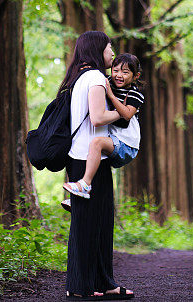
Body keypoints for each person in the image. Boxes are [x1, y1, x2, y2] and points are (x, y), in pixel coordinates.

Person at [62, 31, 134, 300]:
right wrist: (125, 114)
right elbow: (97, 117)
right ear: (96, 50)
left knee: (98, 224)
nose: (112, 52)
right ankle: (81, 286)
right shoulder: (94, 78)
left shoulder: (83, 77)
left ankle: (102, 283)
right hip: (87, 159)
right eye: (109, 47)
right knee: (89, 225)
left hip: (86, 158)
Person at [63, 53, 143, 199]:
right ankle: (77, 197)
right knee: (87, 150)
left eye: (125, 72)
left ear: (136, 76)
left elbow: (127, 114)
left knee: (96, 143)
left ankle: (85, 184)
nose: (119, 75)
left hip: (127, 144)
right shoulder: (106, 81)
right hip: (114, 139)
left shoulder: (134, 93)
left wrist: (111, 96)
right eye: (115, 70)